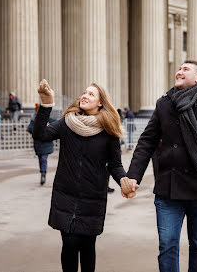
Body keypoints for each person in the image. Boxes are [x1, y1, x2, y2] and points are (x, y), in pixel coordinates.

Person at [124, 60, 197, 272]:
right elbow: (146, 142)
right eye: (178, 68)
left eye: (185, 69)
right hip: (169, 189)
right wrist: (133, 176)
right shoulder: (164, 104)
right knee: (167, 246)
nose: (179, 71)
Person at [33, 79, 129, 272]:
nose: (85, 95)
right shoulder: (68, 123)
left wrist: (124, 180)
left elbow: (115, 165)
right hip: (65, 195)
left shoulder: (109, 131)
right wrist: (46, 105)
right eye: (84, 92)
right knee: (69, 244)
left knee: (87, 247)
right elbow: (41, 134)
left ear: (100, 103)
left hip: (92, 198)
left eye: (91, 94)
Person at [27, 103, 56, 185]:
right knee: (41, 159)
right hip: (38, 144)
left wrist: (48, 128)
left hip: (46, 143)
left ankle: (43, 174)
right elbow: (29, 128)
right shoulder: (33, 120)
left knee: (43, 159)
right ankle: (42, 172)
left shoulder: (48, 119)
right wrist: (37, 130)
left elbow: (57, 125)